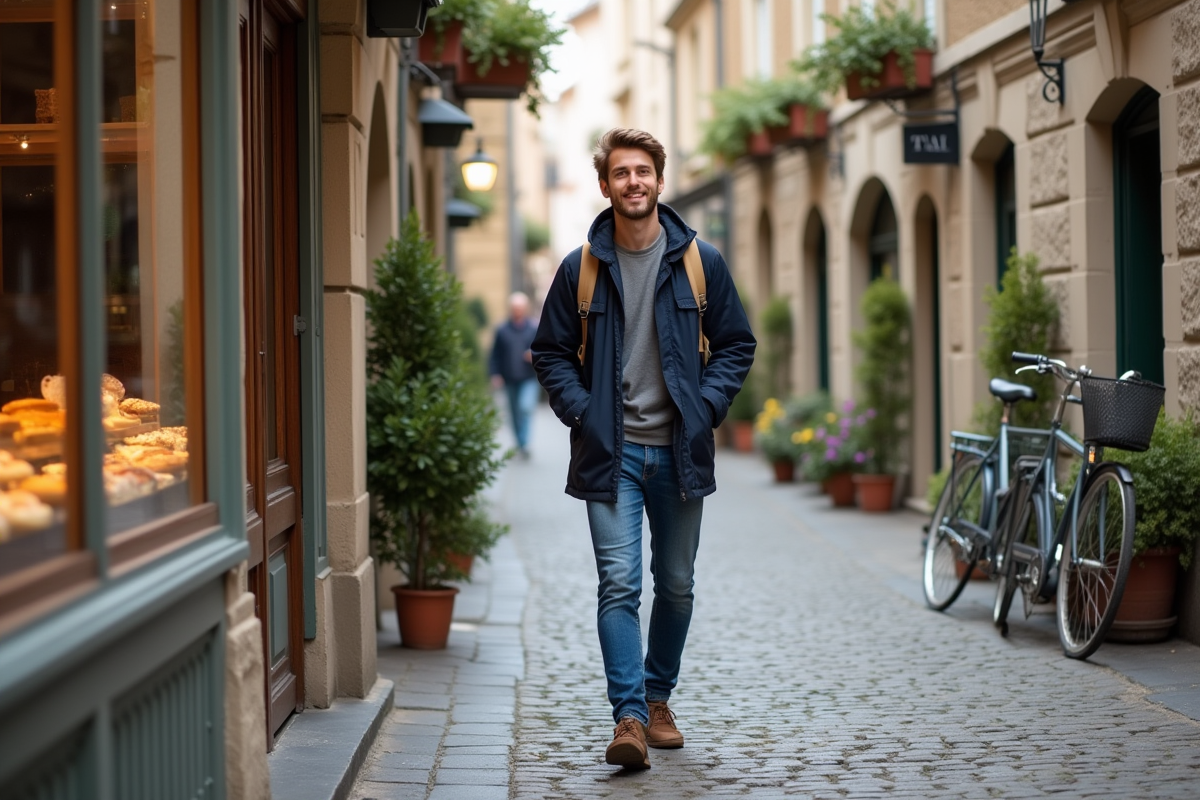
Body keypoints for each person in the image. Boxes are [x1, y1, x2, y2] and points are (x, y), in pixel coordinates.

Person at [531, 128, 755, 770]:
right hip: (613, 456)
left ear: (660, 181)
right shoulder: (582, 269)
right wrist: (582, 413)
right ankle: (629, 716)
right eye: (621, 173)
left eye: (644, 172)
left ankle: (659, 698)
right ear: (605, 186)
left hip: (680, 453)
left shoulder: (699, 262)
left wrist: (706, 408)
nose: (633, 182)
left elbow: (736, 343)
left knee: (677, 585)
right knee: (619, 584)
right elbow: (549, 351)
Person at [490, 291, 539, 458]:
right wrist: (495, 374)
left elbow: (545, 349)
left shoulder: (533, 328)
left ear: (525, 309)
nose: (517, 310)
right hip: (509, 378)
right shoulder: (502, 330)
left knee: (525, 408)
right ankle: (520, 444)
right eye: (515, 307)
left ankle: (524, 443)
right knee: (514, 412)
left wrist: (534, 354)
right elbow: (495, 354)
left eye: (520, 307)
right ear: (511, 309)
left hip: (529, 378)